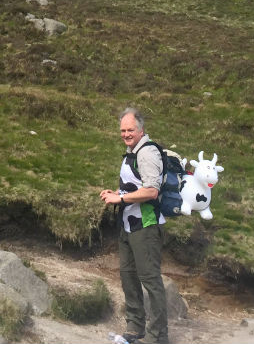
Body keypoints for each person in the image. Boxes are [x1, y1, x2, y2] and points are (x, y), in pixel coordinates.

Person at [100, 107, 169, 344]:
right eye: (123, 130)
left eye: (130, 130)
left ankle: (158, 336)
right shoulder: (132, 151)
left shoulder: (148, 153)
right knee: (128, 276)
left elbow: (151, 190)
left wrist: (119, 199)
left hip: (146, 226)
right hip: (129, 225)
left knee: (150, 280)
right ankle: (135, 325)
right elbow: (134, 186)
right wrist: (117, 192)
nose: (126, 134)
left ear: (141, 129)